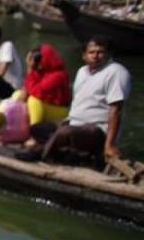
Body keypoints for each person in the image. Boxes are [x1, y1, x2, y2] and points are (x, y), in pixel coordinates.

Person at [22, 35, 131, 163]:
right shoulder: (82, 72)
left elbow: (116, 110)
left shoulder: (115, 72)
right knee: (37, 128)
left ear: (108, 54)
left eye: (100, 52)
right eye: (91, 52)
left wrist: (109, 145)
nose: (95, 56)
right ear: (84, 55)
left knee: (64, 133)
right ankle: (69, 155)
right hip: (74, 123)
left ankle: (40, 153)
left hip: (98, 130)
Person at [15, 43, 71, 126]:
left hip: (60, 110)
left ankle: (35, 130)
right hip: (47, 105)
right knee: (16, 94)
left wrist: (30, 68)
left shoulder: (59, 75)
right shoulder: (42, 71)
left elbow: (37, 91)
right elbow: (29, 84)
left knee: (34, 101)